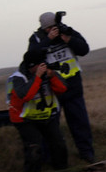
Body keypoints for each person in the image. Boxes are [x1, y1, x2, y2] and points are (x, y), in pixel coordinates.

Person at [27, 12, 94, 163]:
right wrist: (48, 40)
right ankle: (51, 159)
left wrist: (69, 39)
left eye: (54, 26)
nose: (53, 30)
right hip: (51, 89)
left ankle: (87, 154)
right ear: (44, 28)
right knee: (50, 126)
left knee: (79, 122)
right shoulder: (37, 39)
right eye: (49, 28)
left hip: (73, 86)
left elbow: (84, 49)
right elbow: (31, 57)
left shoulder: (67, 31)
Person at [7, 49, 69, 172]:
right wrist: (37, 77)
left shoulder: (48, 73)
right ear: (32, 66)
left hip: (47, 116)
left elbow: (62, 89)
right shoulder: (17, 78)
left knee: (59, 144)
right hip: (24, 118)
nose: (43, 66)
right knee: (35, 148)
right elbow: (26, 96)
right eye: (40, 64)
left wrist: (52, 77)